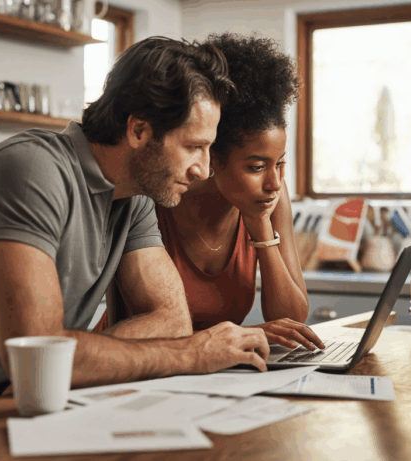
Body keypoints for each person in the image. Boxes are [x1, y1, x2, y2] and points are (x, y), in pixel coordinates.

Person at [0, 37, 271, 423]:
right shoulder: (30, 172)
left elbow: (171, 320)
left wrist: (75, 361)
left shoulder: (135, 198)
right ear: (139, 131)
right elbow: (39, 357)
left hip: (30, 403)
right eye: (193, 147)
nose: (202, 169)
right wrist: (189, 355)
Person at [100, 33, 324, 352]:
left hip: (212, 368)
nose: (274, 183)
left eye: (281, 164)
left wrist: (259, 224)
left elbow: (293, 320)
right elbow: (145, 322)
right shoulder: (158, 193)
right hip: (133, 361)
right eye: (257, 167)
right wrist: (247, 333)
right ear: (213, 156)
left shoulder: (270, 197)